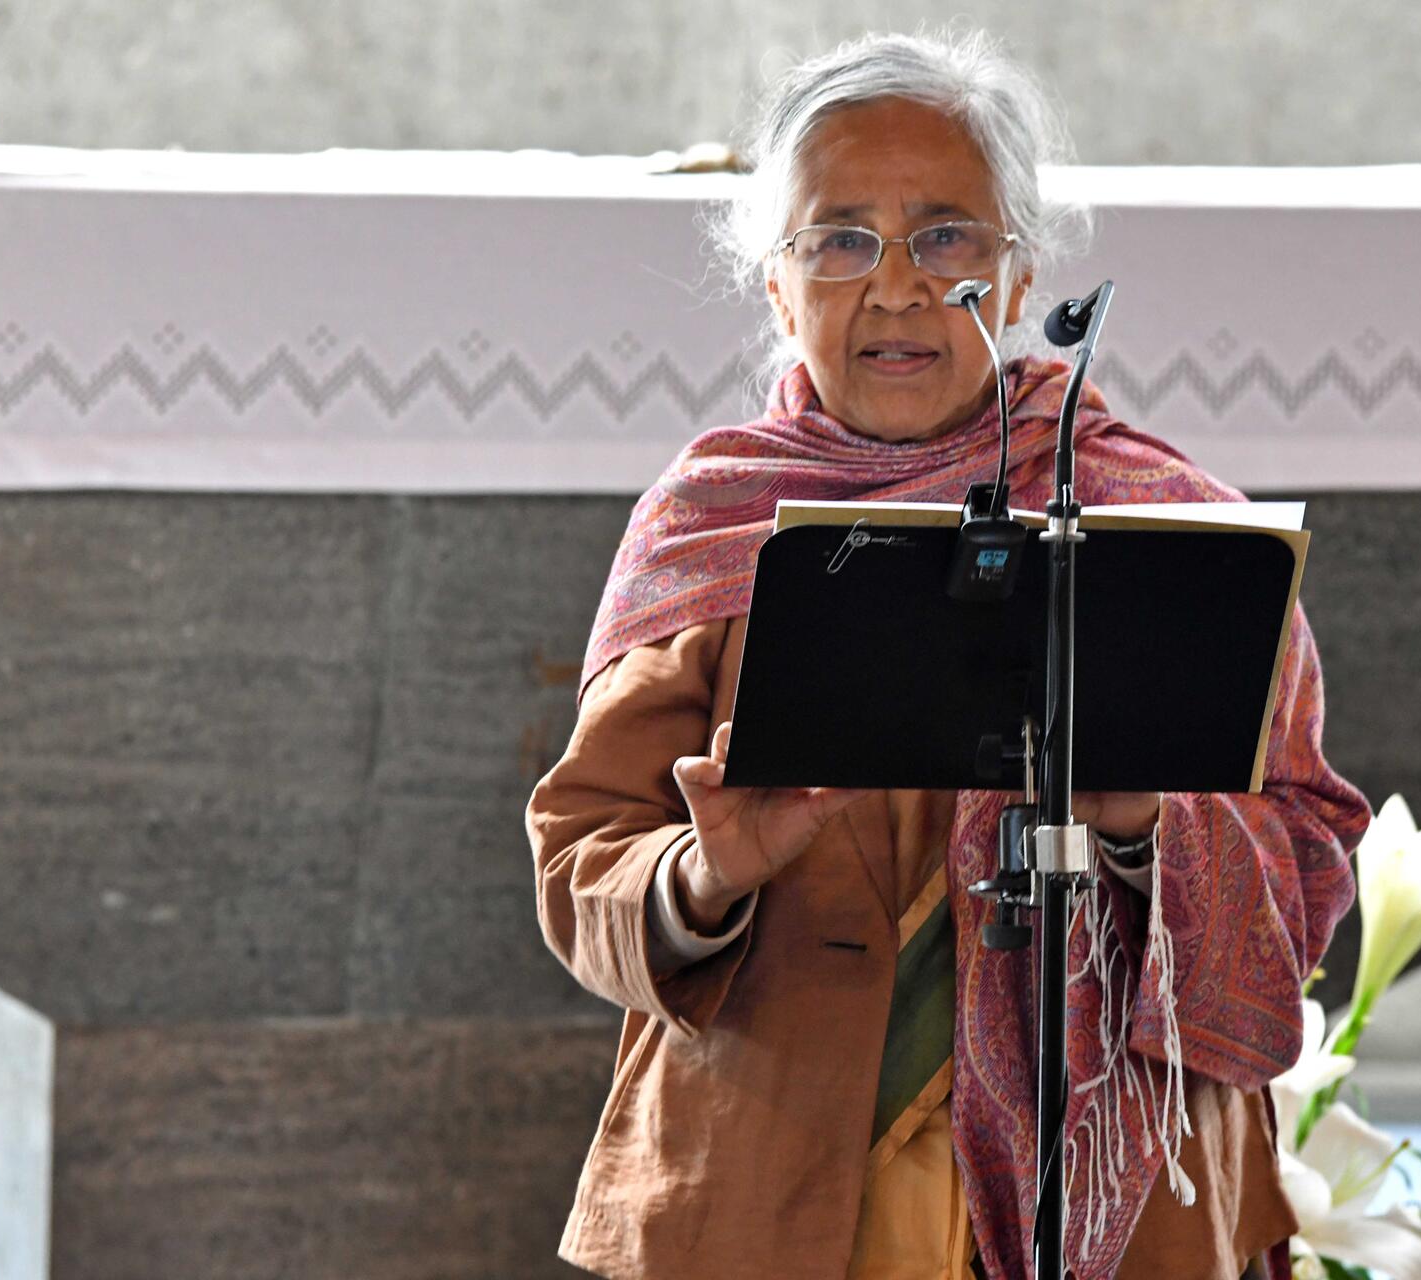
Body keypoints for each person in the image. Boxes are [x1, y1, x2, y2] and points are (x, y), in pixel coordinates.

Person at [524, 29, 1369, 1280]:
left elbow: (1305, 861)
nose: (898, 286)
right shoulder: (711, 527)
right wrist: (701, 877)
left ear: (1019, 277)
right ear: (776, 286)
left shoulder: (1168, 531)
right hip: (769, 1196)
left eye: (946, 237)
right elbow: (580, 860)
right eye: (840, 239)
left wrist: (1147, 825)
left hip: (1120, 1204)